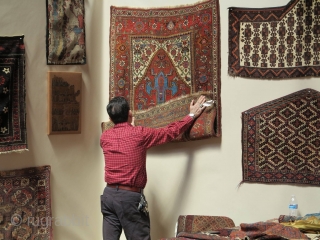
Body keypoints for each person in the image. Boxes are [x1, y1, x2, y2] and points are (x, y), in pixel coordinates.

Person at [100, 95, 206, 240]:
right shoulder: (139, 134)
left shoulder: (104, 137)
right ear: (129, 113)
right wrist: (192, 115)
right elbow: (169, 132)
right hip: (129, 199)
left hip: (108, 196)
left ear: (111, 119)